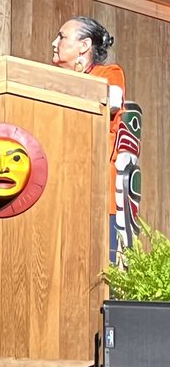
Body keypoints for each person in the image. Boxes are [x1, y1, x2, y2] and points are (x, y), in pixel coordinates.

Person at [51, 16, 128, 258]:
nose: (54, 43)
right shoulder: (51, 82)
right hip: (61, 194)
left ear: (84, 46)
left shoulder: (109, 73)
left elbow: (113, 101)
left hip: (99, 196)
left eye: (62, 37)